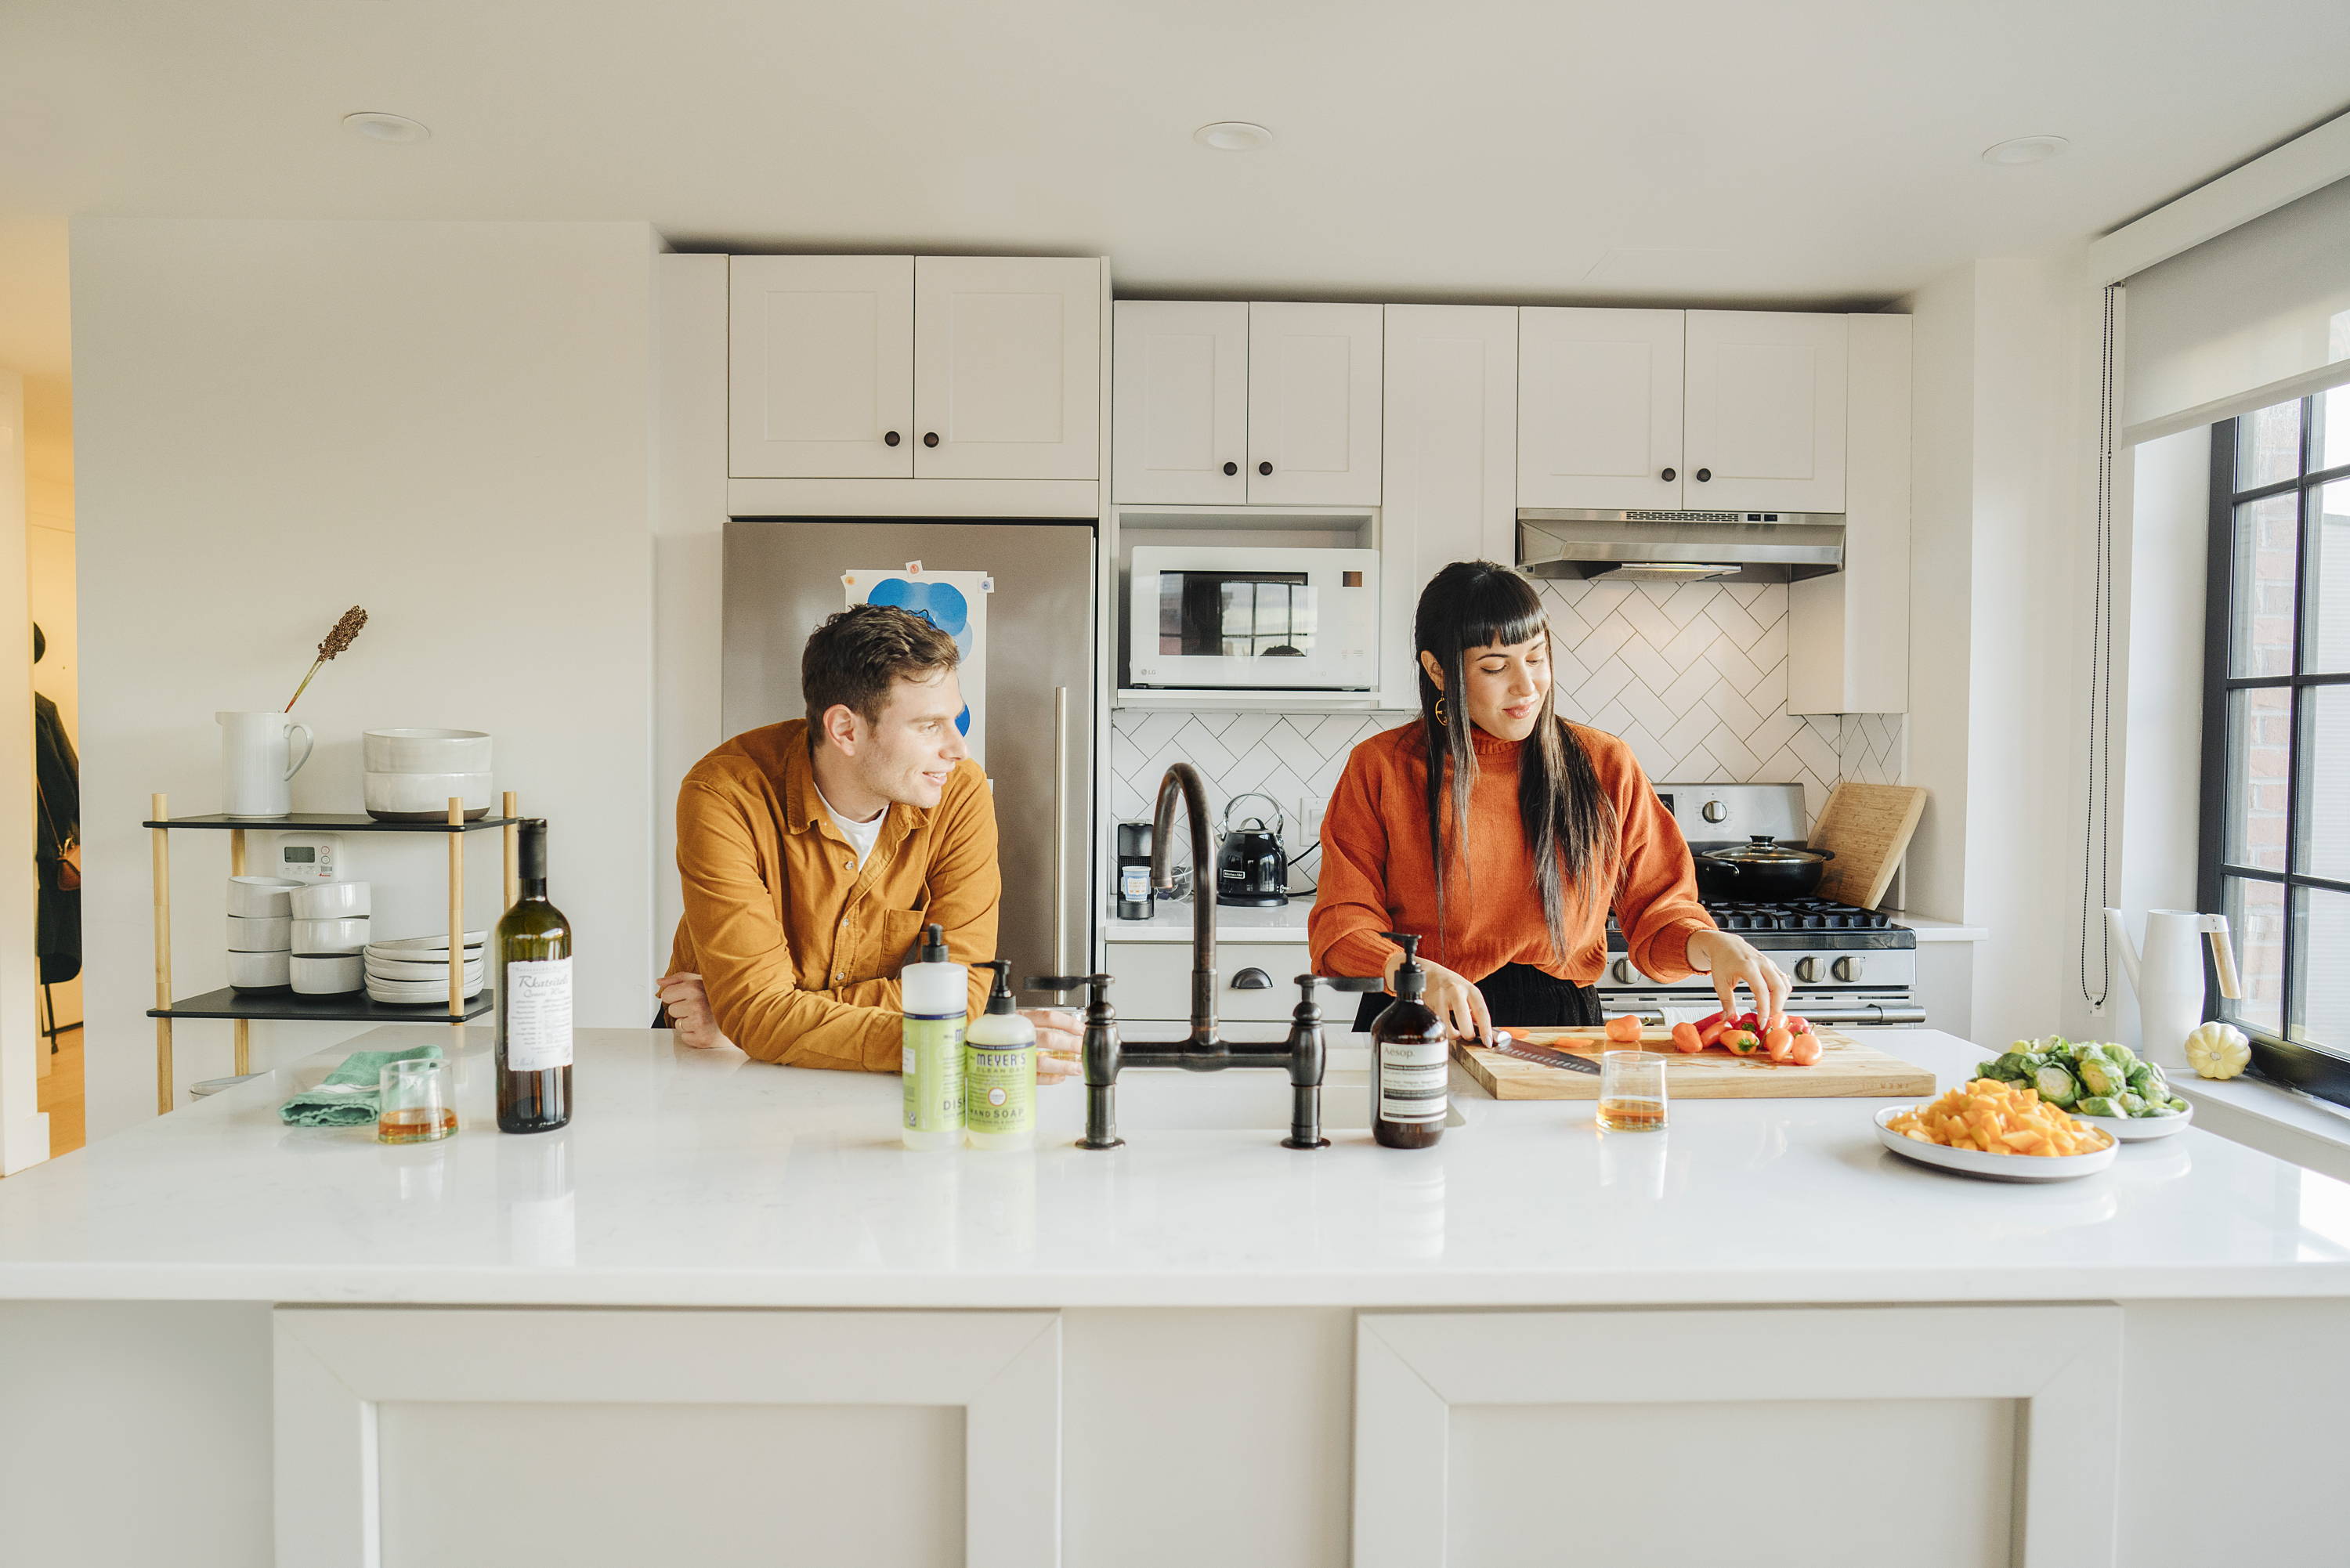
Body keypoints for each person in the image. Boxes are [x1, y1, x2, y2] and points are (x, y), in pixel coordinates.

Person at [1310, 562, 1788, 1041]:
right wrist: (1413, 972)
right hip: (1415, 1017)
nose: (1527, 686)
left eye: (1536, 658)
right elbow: (1340, 927)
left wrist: (1710, 943)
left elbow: (1659, 912)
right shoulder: (1381, 767)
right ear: (1438, 670)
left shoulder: (1605, 764)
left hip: (1558, 1024)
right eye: (1495, 667)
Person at [655, 603, 1079, 1077]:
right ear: (845, 729)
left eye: (955, 720)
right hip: (707, 1063)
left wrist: (760, 1020)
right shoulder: (724, 795)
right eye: (928, 725)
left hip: (739, 1041)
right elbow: (760, 1015)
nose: (958, 749)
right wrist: (945, 1041)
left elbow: (962, 994)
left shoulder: (959, 792)